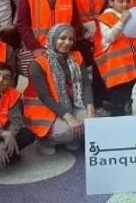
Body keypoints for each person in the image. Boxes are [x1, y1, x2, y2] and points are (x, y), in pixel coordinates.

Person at [24, 24, 95, 154]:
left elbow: (86, 84)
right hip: (45, 110)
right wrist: (70, 118)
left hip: (72, 104)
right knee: (67, 131)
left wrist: (91, 112)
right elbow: (44, 96)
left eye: (71, 39)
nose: (67, 43)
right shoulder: (38, 63)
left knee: (93, 122)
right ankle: (45, 141)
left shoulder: (76, 57)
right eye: (62, 38)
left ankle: (73, 137)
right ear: (53, 38)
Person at [96, 0, 136, 115]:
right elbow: (109, 37)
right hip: (119, 74)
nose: (125, 4)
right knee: (119, 108)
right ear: (111, 2)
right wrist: (121, 22)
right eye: (120, 1)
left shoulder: (133, 16)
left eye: (128, 1)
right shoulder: (105, 17)